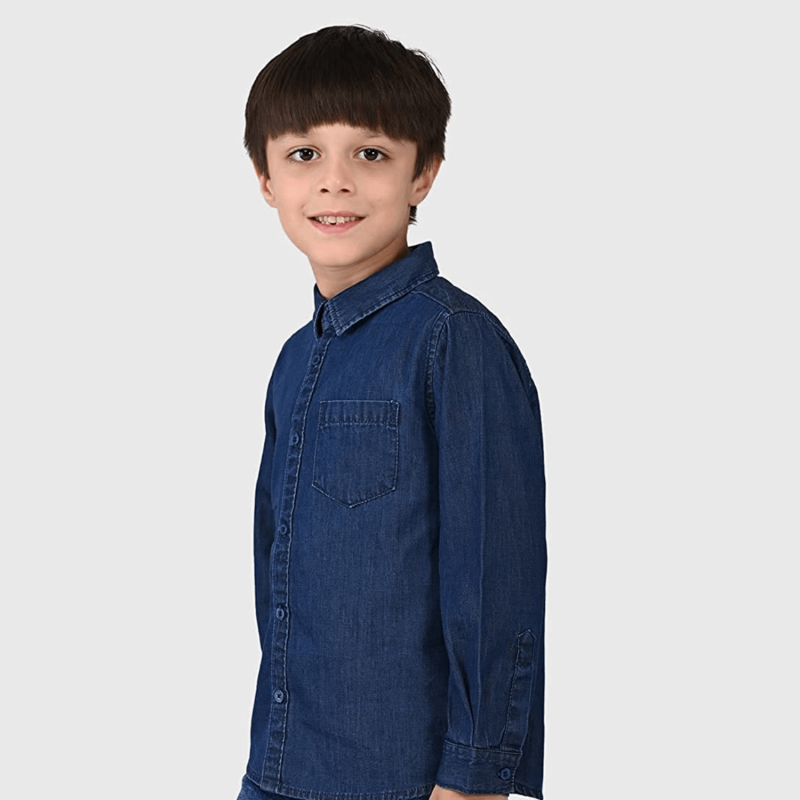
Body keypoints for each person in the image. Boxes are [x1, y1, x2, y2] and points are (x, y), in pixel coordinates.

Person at [236, 24, 547, 800]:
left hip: (397, 778)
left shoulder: (453, 341)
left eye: (370, 153)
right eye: (304, 154)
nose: (334, 183)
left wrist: (475, 775)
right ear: (266, 178)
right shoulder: (294, 358)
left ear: (423, 173)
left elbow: (493, 574)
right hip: (281, 763)